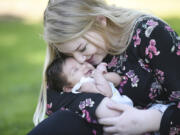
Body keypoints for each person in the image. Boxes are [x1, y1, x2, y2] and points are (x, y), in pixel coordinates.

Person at [28, 0, 180, 135]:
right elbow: (51, 98)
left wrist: (152, 120)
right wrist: (97, 105)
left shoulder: (150, 35)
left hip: (159, 126)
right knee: (65, 120)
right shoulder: (75, 51)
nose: (80, 59)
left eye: (82, 48)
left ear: (101, 21)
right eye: (69, 54)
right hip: (107, 128)